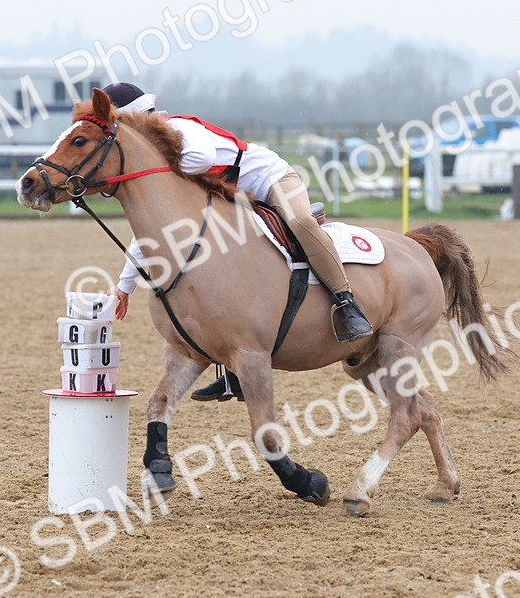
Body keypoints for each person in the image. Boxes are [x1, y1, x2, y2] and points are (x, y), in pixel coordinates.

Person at [102, 82, 371, 402]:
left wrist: (166, 176)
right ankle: (234, 374)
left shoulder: (178, 127)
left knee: (300, 222)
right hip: (234, 201)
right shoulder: (152, 155)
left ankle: (346, 302)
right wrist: (124, 286)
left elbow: (202, 158)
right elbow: (148, 233)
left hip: (270, 181)